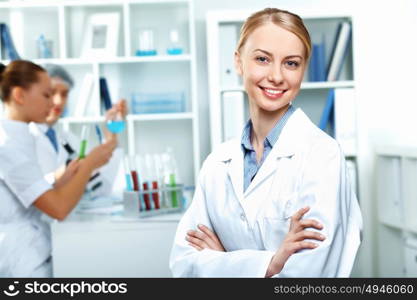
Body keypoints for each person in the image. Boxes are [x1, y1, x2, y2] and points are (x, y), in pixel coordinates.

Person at [169, 8, 362, 277]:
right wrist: (270, 264)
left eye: (291, 63)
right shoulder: (216, 163)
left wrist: (222, 260)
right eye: (262, 59)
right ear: (238, 62)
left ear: (302, 70)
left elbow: (309, 276)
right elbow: (184, 264)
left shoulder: (322, 156)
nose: (276, 76)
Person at [0, 60, 116, 277]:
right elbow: (59, 208)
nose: (53, 102)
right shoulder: (7, 145)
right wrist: (89, 162)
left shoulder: (19, 138)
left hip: (36, 252)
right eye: (46, 95)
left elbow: (21, 190)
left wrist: (57, 178)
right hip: (20, 261)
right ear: (19, 96)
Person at [29, 64, 127, 197]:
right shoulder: (24, 137)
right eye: (51, 93)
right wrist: (62, 176)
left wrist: (111, 136)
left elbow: (100, 187)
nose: (58, 101)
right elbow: (32, 190)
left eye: (64, 94)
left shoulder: (67, 140)